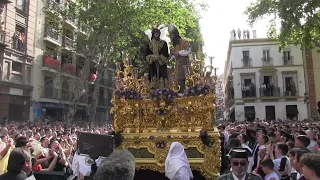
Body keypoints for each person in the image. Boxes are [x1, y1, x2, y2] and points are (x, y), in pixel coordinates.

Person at [168, 23, 191, 92]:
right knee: (178, 81)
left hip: (185, 65)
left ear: (175, 34)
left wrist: (178, 53)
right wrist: (170, 55)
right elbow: (173, 57)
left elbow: (188, 50)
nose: (171, 37)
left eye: (172, 35)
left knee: (186, 80)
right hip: (177, 67)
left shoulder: (184, 41)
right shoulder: (175, 46)